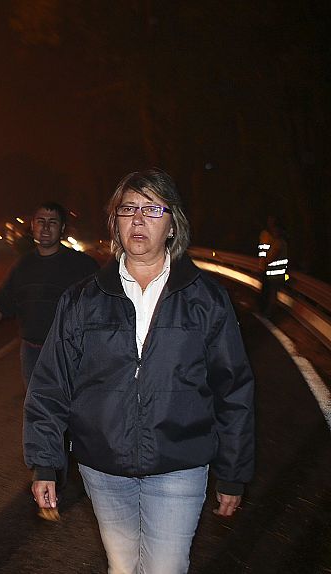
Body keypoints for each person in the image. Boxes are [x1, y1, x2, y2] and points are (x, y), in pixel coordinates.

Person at [24, 169, 255, 574]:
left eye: (152, 209)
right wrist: (46, 462)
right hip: (103, 466)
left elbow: (233, 389)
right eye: (127, 209)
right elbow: (50, 384)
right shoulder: (83, 299)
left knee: (165, 567)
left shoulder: (205, 300)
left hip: (179, 464)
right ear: (114, 222)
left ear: (172, 224)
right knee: (123, 564)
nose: (138, 220)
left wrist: (233, 472)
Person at [0, 201, 99, 386]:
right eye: (41, 221)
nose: (45, 228)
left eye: (52, 222)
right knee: (37, 410)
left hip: (69, 353)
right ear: (33, 226)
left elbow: (102, 307)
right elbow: (0, 304)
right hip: (32, 353)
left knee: (71, 409)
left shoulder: (82, 265)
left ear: (62, 228)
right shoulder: (22, 266)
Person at [258, 215, 289, 316]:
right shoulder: (280, 242)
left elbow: (270, 257)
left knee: (271, 294)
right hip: (275, 273)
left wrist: (265, 262)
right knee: (271, 294)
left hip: (274, 274)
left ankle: (268, 313)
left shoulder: (278, 243)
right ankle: (267, 312)